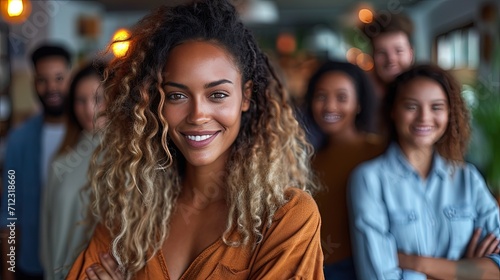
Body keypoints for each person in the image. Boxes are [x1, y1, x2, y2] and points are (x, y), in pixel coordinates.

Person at [67, 1, 323, 279]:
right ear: (156, 102)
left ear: (246, 96)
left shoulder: (286, 216)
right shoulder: (129, 212)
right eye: (177, 95)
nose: (198, 114)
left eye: (217, 95)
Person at [348, 64, 500, 280]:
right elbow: (377, 276)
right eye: (411, 106)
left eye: (436, 107)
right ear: (393, 110)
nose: (424, 117)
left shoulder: (468, 178)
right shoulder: (368, 180)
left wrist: (415, 263)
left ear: (450, 113)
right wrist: (464, 271)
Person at [303, 61, 386, 279]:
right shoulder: (308, 160)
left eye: (341, 97)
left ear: (358, 103)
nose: (330, 106)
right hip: (316, 269)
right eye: (321, 96)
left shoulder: (379, 151)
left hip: (366, 268)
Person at [1, 44, 72, 280]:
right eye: (43, 80)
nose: (51, 87)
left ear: (70, 79)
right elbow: (10, 209)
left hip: (76, 263)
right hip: (31, 265)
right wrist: (8, 270)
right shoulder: (19, 139)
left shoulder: (88, 136)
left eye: (59, 78)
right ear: (34, 83)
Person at [40, 62, 106, 280]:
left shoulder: (132, 160)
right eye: (80, 100)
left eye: (98, 99)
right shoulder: (62, 159)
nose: (89, 109)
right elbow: (46, 229)